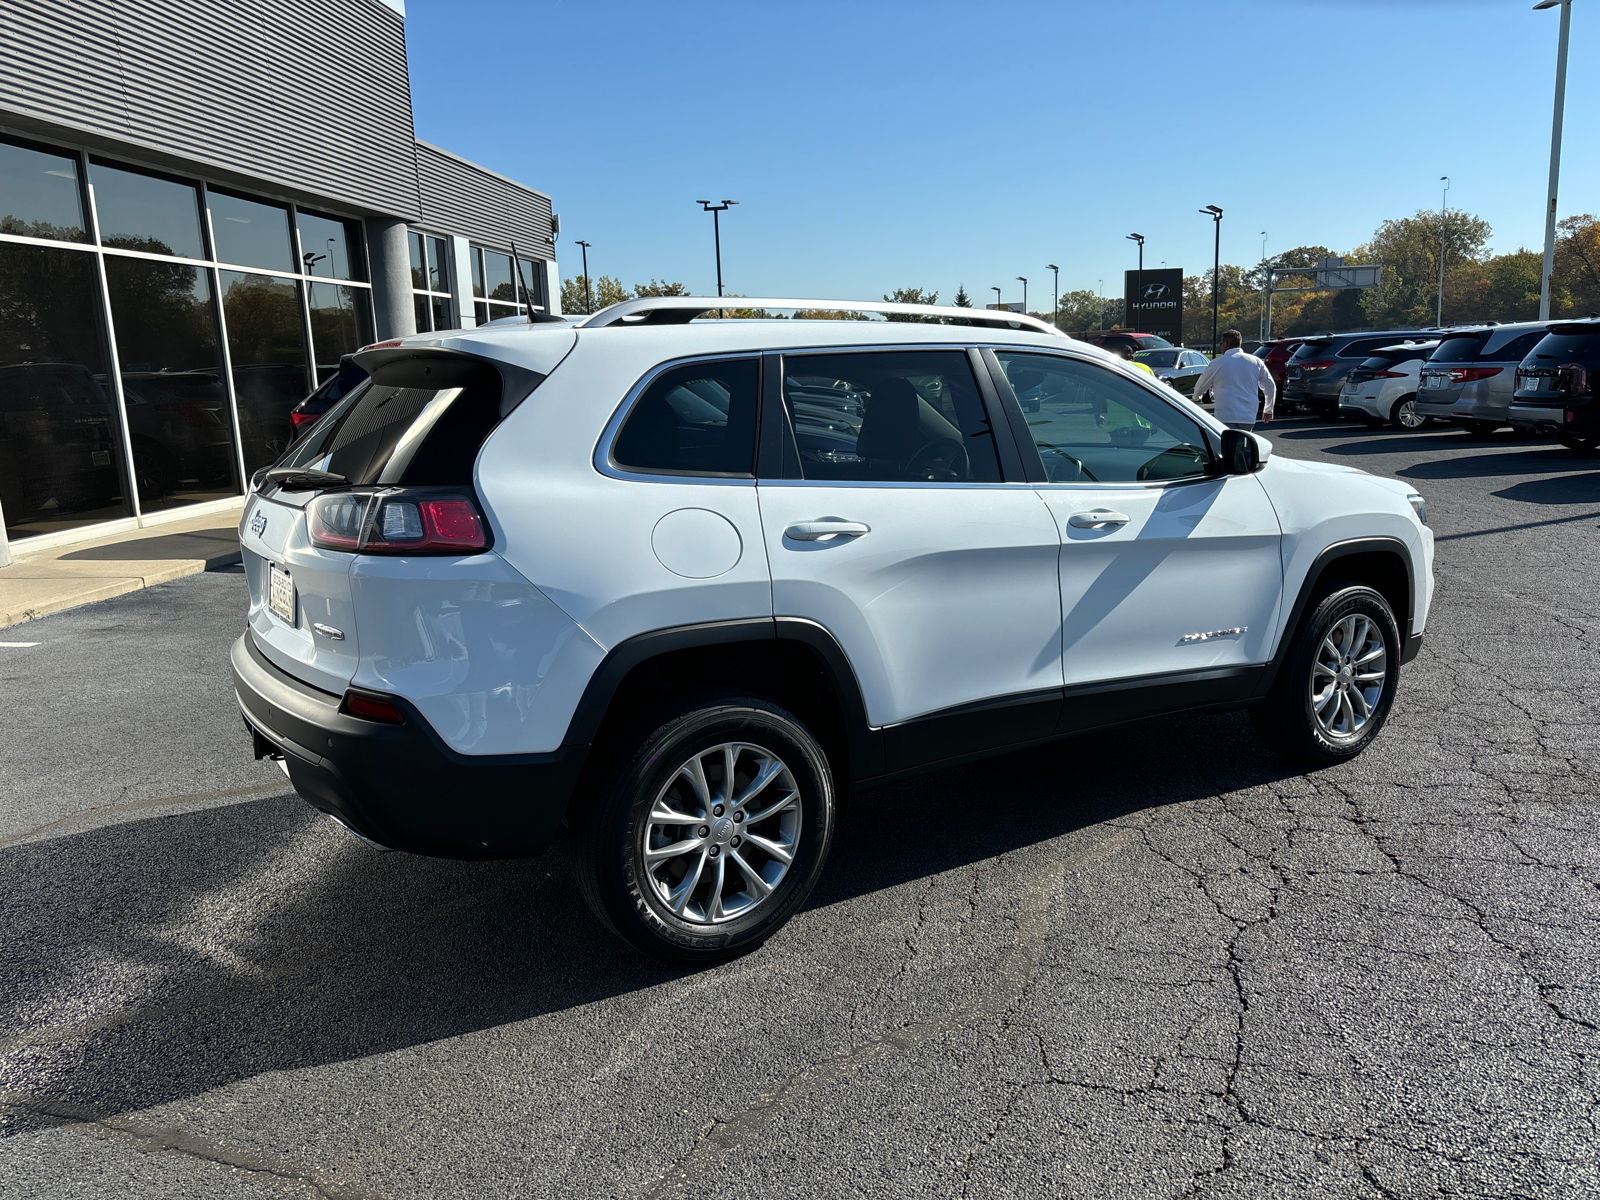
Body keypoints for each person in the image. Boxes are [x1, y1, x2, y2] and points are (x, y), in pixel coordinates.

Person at [1189, 329, 1276, 430]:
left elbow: (1201, 384)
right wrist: (1268, 409)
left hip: (1225, 415)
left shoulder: (1217, 363)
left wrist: (1196, 397)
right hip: (1248, 415)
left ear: (1225, 344)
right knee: (1244, 444)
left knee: (1226, 444)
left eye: (1221, 344)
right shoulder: (1256, 362)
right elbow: (1270, 386)